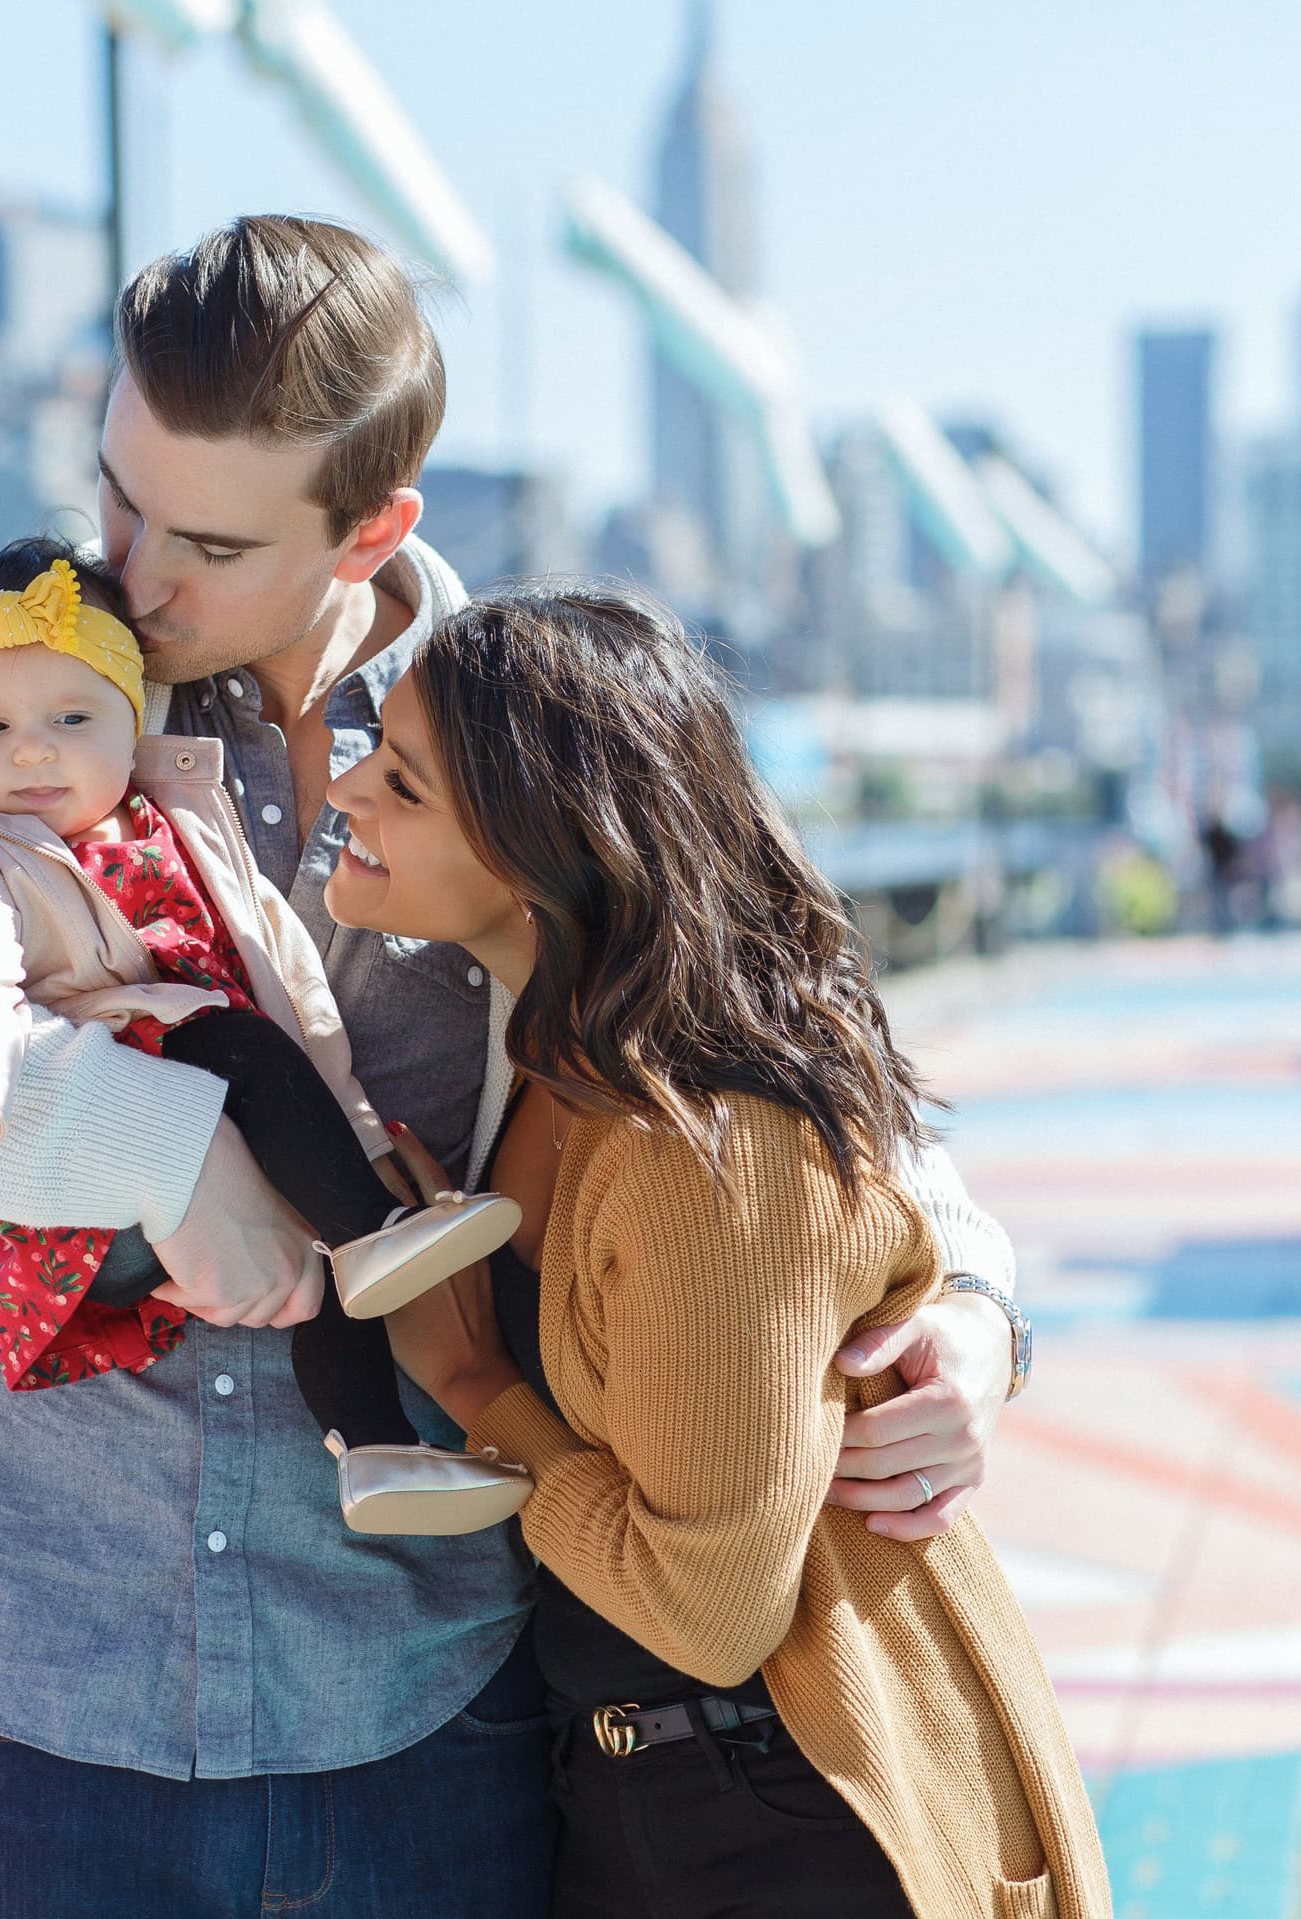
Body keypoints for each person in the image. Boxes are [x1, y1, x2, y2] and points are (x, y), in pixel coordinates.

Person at [0, 216, 1028, 1918]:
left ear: (374, 526)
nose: (134, 573)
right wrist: (171, 1147)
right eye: (117, 495)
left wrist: (969, 1303)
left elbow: (777, 1034)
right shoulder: (18, 636)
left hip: (426, 1724)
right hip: (41, 1702)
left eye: (209, 540)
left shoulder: (522, 710)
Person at [329, 582, 1103, 1919]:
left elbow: (711, 1604)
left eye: (400, 779)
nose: (346, 788)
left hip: (798, 1808)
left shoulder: (707, 1145)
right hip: (648, 1791)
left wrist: (474, 1387)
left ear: (534, 846)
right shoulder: (553, 1059)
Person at [0, 537, 526, 1533]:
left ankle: (372, 1452)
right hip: (78, 1184)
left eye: (71, 717)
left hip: (220, 1093)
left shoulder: (175, 810)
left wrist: (352, 1123)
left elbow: (284, 966)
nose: (31, 750)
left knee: (315, 1263)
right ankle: (374, 1233)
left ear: (128, 717)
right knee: (235, 1045)